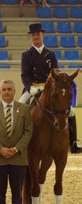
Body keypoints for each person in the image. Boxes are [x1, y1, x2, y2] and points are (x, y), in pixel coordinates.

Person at [20, 22, 82, 154]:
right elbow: (24, 75)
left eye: (38, 34)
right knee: (19, 109)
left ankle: (73, 142)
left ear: (43, 35)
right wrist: (30, 87)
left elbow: (56, 73)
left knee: (70, 112)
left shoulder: (51, 54)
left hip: (50, 89)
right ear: (31, 37)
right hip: (32, 88)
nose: (36, 37)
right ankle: (17, 141)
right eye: (33, 35)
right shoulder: (26, 55)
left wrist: (54, 86)